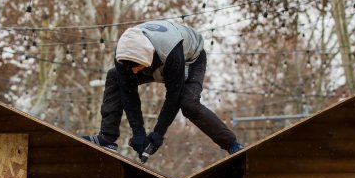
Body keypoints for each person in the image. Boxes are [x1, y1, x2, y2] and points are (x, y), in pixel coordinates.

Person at [82, 20, 244, 158]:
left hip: (190, 60)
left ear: (146, 58)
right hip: (151, 60)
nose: (133, 71)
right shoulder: (122, 55)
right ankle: (107, 137)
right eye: (128, 66)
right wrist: (138, 133)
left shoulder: (172, 53)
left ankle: (231, 144)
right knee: (114, 75)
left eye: (135, 66)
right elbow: (129, 96)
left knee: (188, 104)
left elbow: (174, 97)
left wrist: (158, 133)